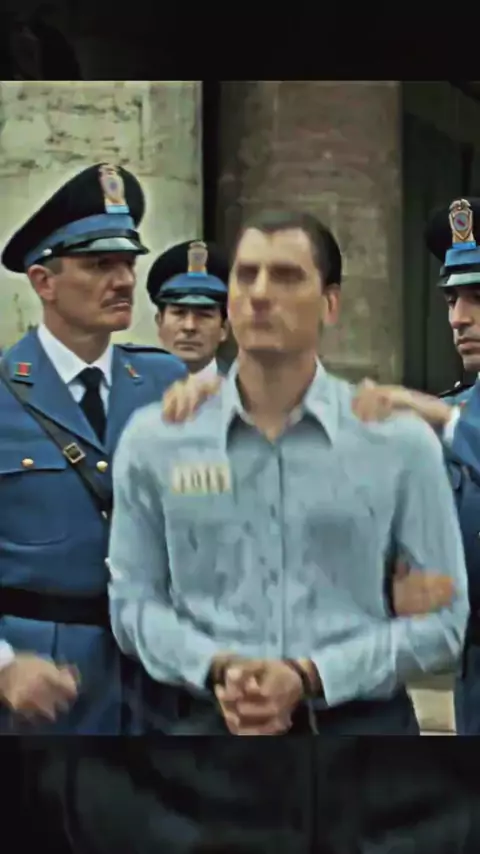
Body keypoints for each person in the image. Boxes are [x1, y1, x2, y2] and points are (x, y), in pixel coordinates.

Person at [91, 210, 468, 850]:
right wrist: (218, 666)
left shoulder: (398, 446)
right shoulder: (156, 442)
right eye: (247, 276)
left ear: (330, 303)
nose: (261, 293)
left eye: (287, 276)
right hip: (207, 747)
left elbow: (445, 621)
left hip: (362, 749)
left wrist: (311, 673)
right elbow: (132, 603)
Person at [0, 161, 189, 735]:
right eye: (99, 264)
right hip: (43, 689)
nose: (125, 280)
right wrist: (4, 667)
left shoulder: (167, 384)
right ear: (43, 282)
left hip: (159, 684)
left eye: (128, 263)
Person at [352, 195, 480, 736]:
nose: (458, 318)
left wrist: (437, 417)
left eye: (477, 297)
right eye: (452, 299)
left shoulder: (447, 419)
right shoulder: (450, 414)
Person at [147, 239, 230, 379]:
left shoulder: (246, 389)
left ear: (224, 329)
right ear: (159, 322)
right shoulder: (129, 388)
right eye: (179, 313)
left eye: (204, 315)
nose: (189, 326)